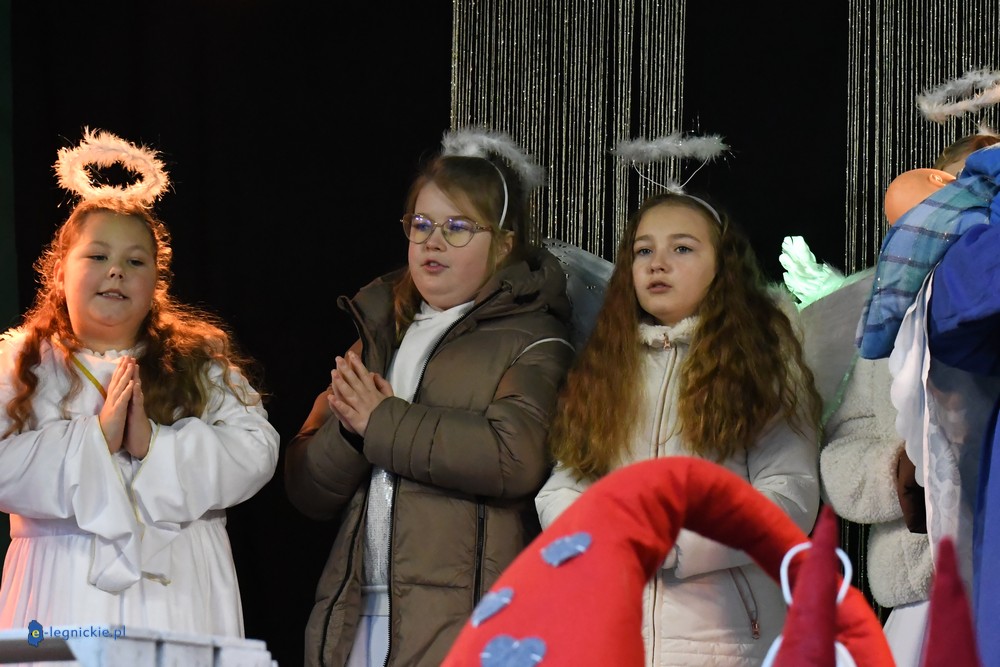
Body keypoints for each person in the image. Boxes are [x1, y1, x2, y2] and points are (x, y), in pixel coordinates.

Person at [284, 127, 575, 667]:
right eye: (421, 224)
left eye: (458, 227)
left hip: (464, 619)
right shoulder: (378, 335)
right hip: (359, 611)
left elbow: (515, 457)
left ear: (504, 244)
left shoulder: (535, 338)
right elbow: (307, 489)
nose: (432, 242)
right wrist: (351, 432)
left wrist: (380, 423)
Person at [0, 129, 280, 637]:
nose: (116, 272)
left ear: (156, 281)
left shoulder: (200, 362)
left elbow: (257, 451)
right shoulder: (20, 363)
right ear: (60, 273)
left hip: (180, 585)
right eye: (97, 256)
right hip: (60, 583)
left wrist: (155, 446)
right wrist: (93, 441)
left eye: (134, 261)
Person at [535, 191, 822, 666]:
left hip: (727, 644)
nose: (657, 263)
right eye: (643, 250)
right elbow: (564, 483)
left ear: (722, 266)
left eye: (682, 248)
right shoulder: (607, 367)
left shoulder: (764, 365)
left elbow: (789, 497)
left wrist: (673, 544)